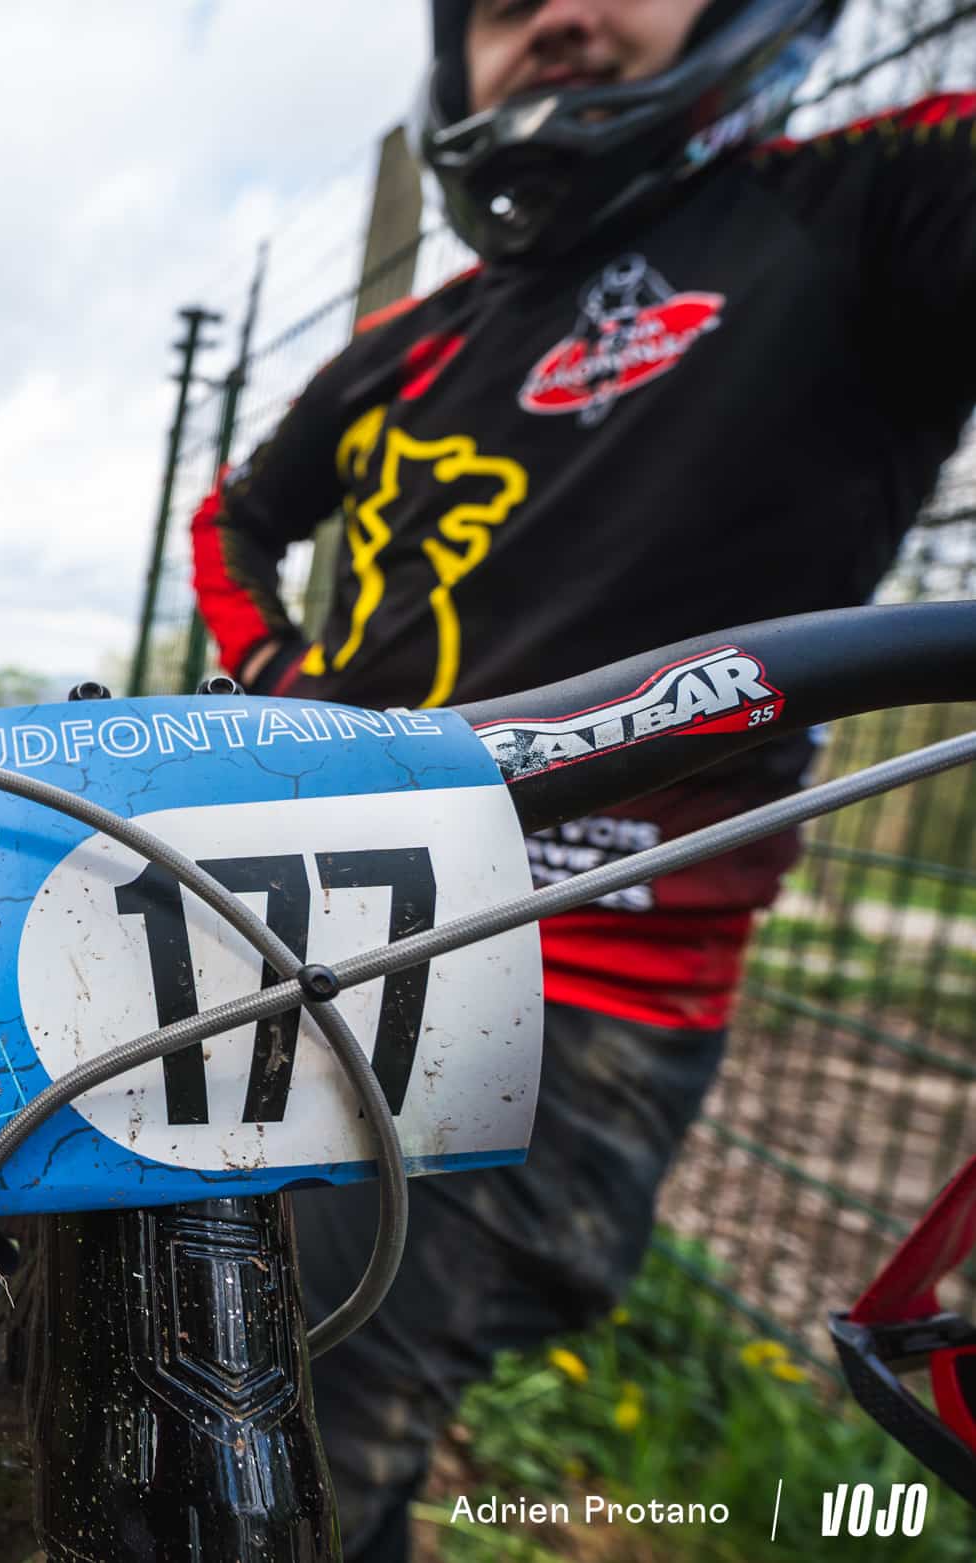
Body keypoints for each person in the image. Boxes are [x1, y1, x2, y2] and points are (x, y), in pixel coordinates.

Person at [188, 2, 974, 1557]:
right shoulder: (412, 339)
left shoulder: (874, 201)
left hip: (576, 986)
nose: (553, 12)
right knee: (123, 1292)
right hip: (304, 913)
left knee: (267, 1429)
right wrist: (283, 680)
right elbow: (235, 516)